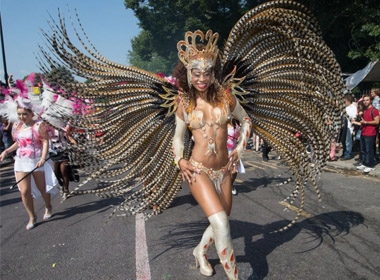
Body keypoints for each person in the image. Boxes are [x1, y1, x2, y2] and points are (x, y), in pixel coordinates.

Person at [0, 98, 57, 230]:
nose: (22, 117)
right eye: (19, 114)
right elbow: (19, 143)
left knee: (42, 188)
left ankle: (48, 206)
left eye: (25, 114)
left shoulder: (38, 125)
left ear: (32, 113)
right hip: (21, 161)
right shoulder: (17, 126)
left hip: (36, 160)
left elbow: (45, 141)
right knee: (24, 191)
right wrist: (6, 151)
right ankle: (32, 216)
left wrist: (43, 158)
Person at [352, 93, 379, 173]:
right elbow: (362, 122)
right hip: (363, 132)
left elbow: (377, 121)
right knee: (363, 149)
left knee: (369, 150)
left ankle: (370, 165)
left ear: (371, 101)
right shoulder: (365, 110)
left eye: (367, 100)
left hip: (370, 133)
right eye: (364, 100)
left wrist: (366, 122)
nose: (365, 102)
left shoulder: (374, 110)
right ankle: (364, 163)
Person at [49, 124, 77, 200]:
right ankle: (61, 185)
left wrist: (75, 144)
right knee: (55, 173)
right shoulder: (46, 128)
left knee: (64, 170)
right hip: (52, 153)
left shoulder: (62, 128)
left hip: (64, 152)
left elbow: (69, 137)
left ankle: (66, 190)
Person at [227, 119, 245, 196]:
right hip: (223, 151)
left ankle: (230, 185)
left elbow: (240, 136)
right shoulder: (222, 122)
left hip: (233, 151)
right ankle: (225, 187)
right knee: (225, 171)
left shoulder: (236, 123)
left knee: (234, 171)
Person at [340, 95, 357, 160]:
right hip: (343, 126)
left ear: (348, 101)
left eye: (345, 101)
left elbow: (353, 116)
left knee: (348, 140)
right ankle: (344, 152)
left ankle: (347, 154)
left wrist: (346, 114)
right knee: (343, 140)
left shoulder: (353, 107)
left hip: (349, 126)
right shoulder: (345, 107)